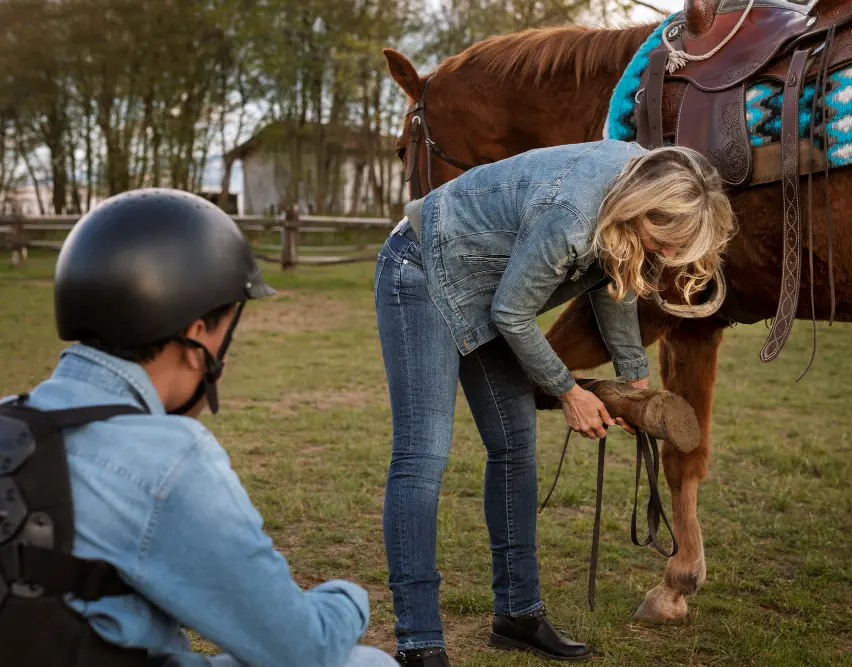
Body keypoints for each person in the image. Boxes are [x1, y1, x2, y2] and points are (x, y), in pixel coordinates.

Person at [0, 189, 397, 667]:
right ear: (196, 338)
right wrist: (351, 597)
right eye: (226, 331)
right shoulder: (168, 460)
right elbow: (303, 650)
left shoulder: (9, 418)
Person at [375, 139, 736, 665]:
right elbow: (514, 315)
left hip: (491, 287)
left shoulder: (642, 179)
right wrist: (569, 392)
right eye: (665, 242)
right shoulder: (571, 215)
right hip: (423, 271)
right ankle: (418, 640)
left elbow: (617, 276)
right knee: (423, 455)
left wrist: (635, 381)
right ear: (643, 208)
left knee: (516, 444)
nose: (665, 255)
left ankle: (518, 613)